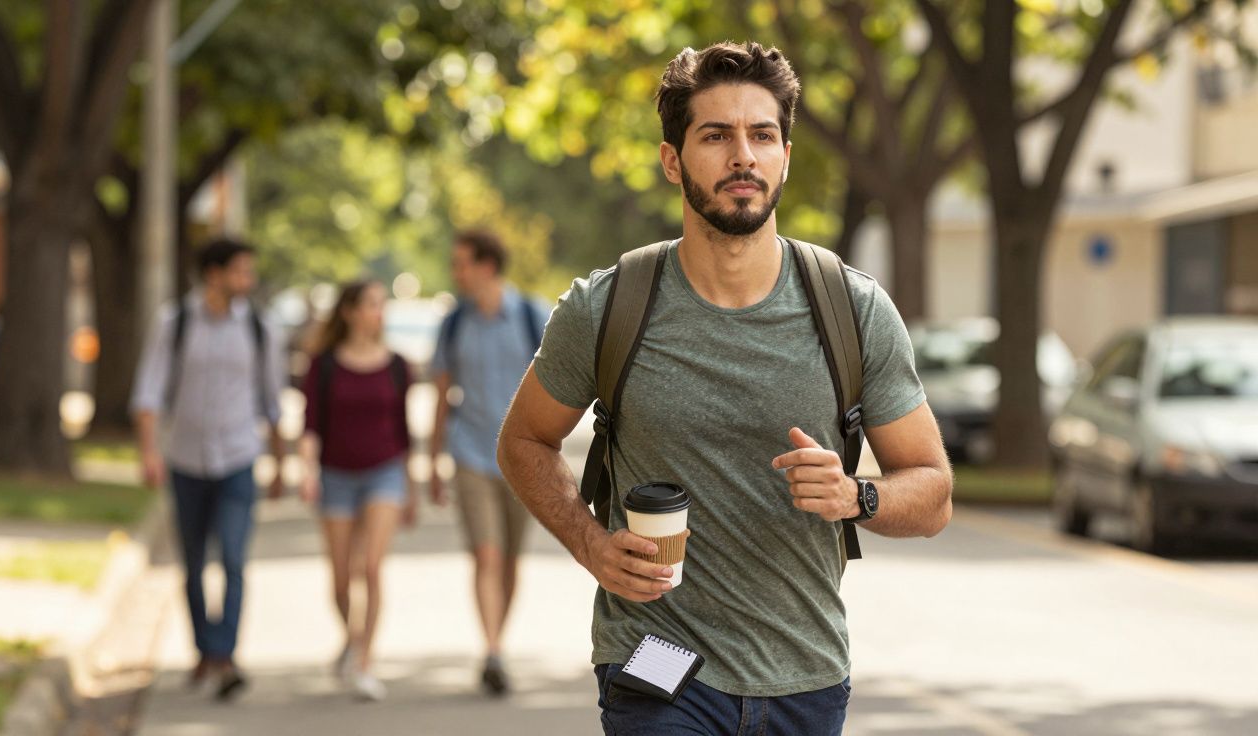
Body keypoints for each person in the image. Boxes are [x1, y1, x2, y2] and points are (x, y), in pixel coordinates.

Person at [496, 42, 953, 734]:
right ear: (673, 160)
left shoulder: (851, 310)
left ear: (786, 157)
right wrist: (591, 543)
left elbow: (934, 491)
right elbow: (524, 440)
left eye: (762, 135)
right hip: (656, 663)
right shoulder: (609, 307)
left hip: (805, 673)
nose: (744, 155)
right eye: (716, 135)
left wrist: (855, 495)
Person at [131, 238, 287, 701]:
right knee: (194, 563)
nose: (248, 281)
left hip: (239, 457)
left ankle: (225, 655)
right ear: (213, 274)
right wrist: (148, 452)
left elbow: (273, 401)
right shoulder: (175, 323)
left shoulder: (261, 328)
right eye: (240, 271)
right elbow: (149, 391)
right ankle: (204, 650)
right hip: (186, 459)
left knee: (234, 560)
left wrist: (280, 463)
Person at [429, 229, 549, 696]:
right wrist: (434, 462)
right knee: (487, 554)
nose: (455, 272)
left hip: (523, 457)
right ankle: (493, 650)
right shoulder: (453, 323)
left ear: (486, 266)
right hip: (471, 453)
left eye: (461, 263)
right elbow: (441, 393)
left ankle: (498, 640)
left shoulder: (530, 316)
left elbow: (558, 387)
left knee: (510, 560)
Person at [298, 279, 417, 702]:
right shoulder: (323, 364)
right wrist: (307, 470)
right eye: (370, 304)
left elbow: (403, 434)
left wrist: (412, 486)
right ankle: (350, 636)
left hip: (384, 473)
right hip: (336, 476)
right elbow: (311, 423)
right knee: (342, 576)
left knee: (371, 567)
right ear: (348, 311)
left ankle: (364, 662)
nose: (377, 312)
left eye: (381, 305)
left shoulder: (398, 365)